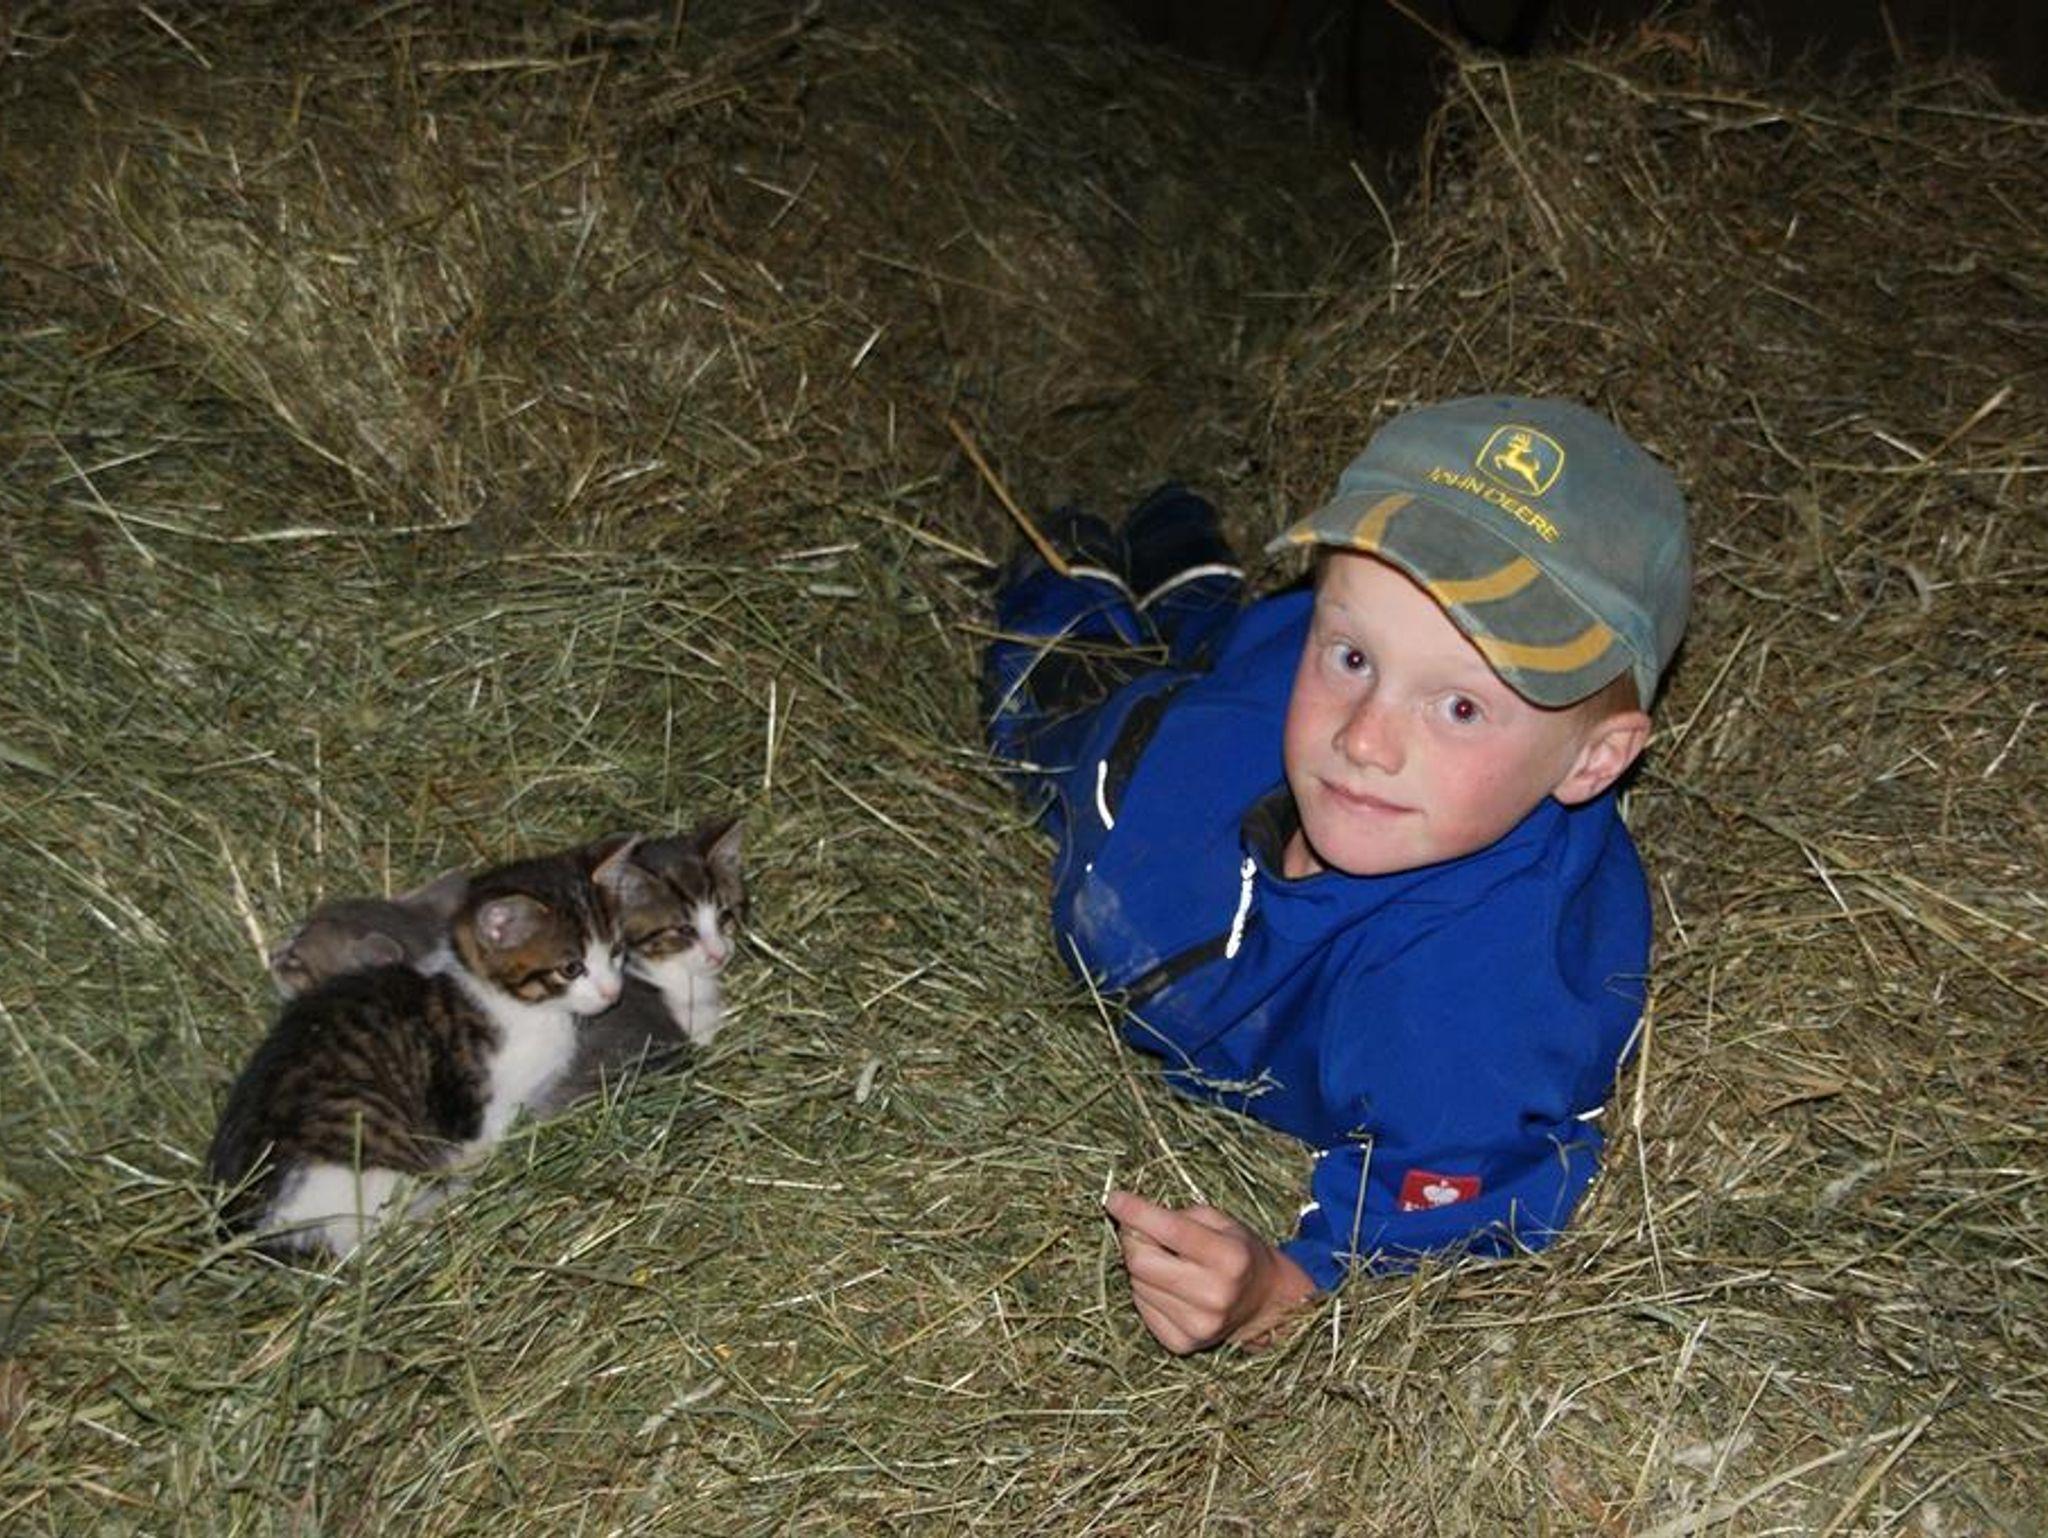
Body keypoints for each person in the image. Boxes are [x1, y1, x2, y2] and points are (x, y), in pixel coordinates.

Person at [981, 395, 1692, 1354]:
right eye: (1354, 657)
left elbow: (1454, 1218)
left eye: (1462, 709)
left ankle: (1097, 587)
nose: (1364, 739)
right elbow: (1299, 657)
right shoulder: (1366, 724)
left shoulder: (1476, 1016)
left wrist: (1273, 1293)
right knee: (1225, 657)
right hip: (1242, 697)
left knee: (1057, 703)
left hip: (1187, 739)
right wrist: (1323, 655)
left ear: (1594, 761)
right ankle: (1188, 578)